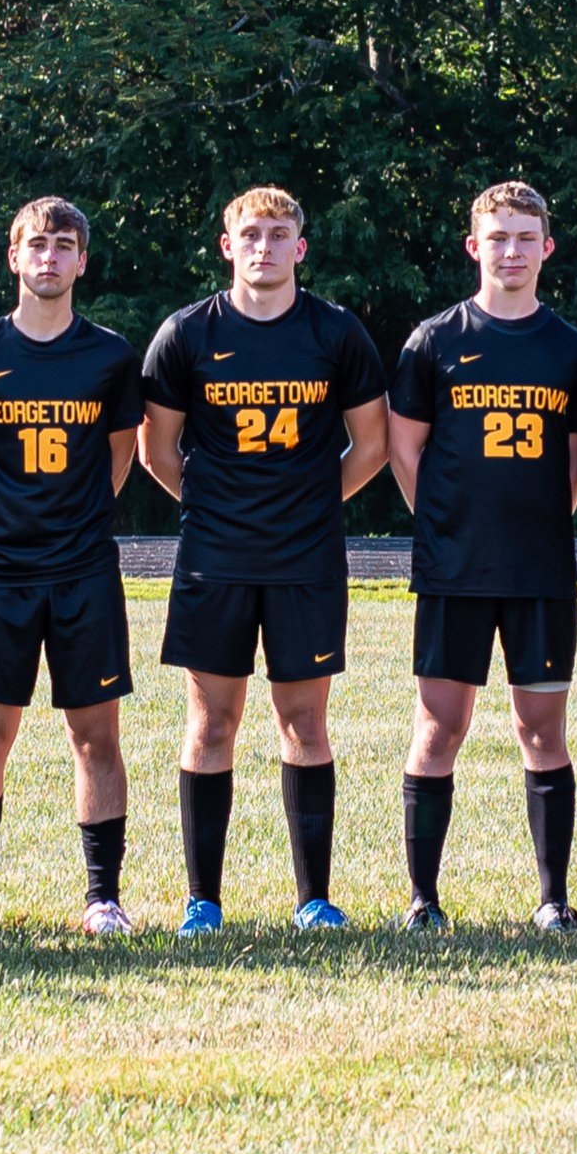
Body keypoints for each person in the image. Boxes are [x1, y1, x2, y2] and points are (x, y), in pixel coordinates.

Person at [140, 187, 392, 935]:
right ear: (227, 245)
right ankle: (203, 900)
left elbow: (372, 446)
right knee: (211, 721)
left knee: (304, 722)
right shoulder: (187, 332)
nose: (264, 246)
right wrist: (217, 504)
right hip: (215, 554)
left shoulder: (336, 332)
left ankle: (313, 897)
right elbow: (158, 449)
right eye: (250, 233)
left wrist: (312, 501)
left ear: (300, 247)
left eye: (279, 234)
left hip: (305, 556)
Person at [383, 182, 577, 929]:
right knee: (439, 727)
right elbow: (402, 449)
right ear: (474, 247)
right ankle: (423, 899)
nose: (510, 250)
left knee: (542, 728)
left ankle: (552, 898)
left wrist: (529, 529)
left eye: (524, 236)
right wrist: (447, 526)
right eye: (496, 237)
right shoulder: (433, 340)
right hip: (455, 568)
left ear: (547, 247)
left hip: (539, 569)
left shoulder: (571, 348)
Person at [0, 197, 149, 932]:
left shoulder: (111, 355)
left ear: (82, 260)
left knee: (96, 736)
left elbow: (119, 459)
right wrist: (8, 512)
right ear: (14, 257)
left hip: (85, 567)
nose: (50, 257)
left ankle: (102, 896)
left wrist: (68, 514)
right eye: (36, 245)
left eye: (64, 245)